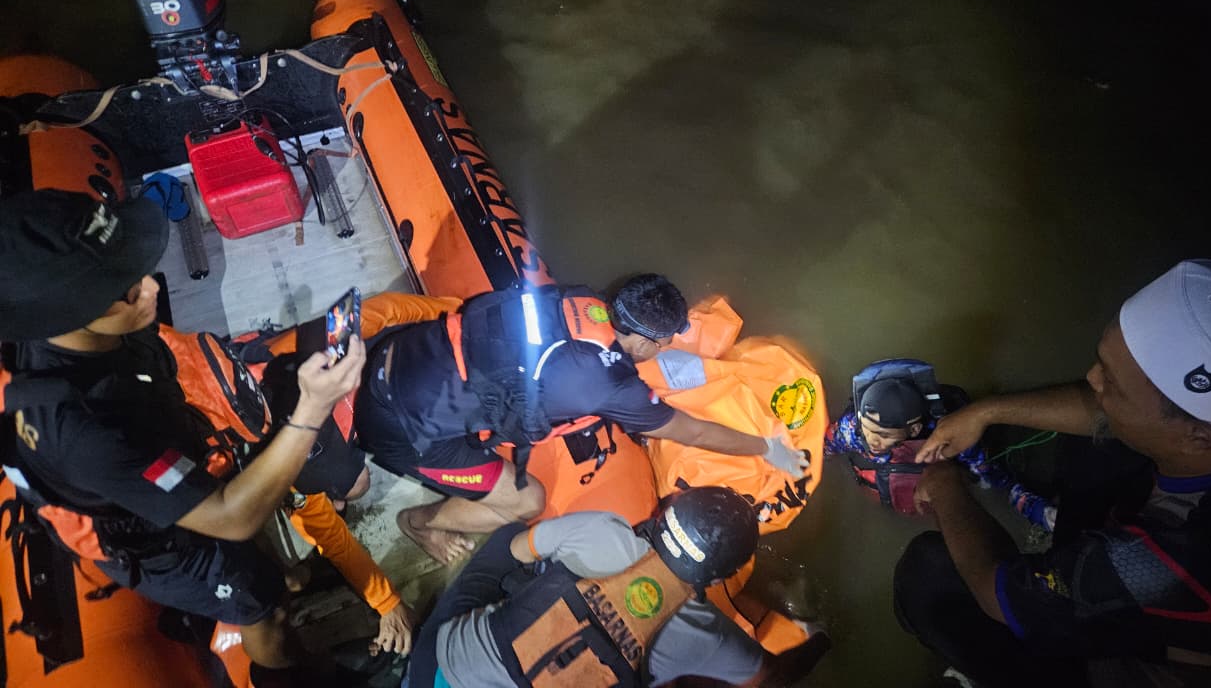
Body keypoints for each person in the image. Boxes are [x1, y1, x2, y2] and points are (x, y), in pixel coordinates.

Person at [0, 189, 367, 686]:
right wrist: (311, 410)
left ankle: (284, 582)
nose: (150, 288)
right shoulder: (83, 431)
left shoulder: (93, 330)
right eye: (126, 288)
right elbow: (231, 517)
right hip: (158, 543)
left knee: (266, 569)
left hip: (172, 462)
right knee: (264, 607)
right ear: (67, 312)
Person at [897, 259, 1211, 687]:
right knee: (1099, 446)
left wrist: (945, 484)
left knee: (930, 574)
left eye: (1111, 382)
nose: (1091, 378)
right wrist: (986, 412)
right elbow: (1112, 412)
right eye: (1103, 363)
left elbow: (995, 593)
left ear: (1200, 437)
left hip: (1140, 667)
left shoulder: (1158, 560)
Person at [354, 277, 809, 563]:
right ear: (646, 344)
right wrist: (767, 448)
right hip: (404, 431)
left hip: (401, 353)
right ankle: (421, 522)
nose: (668, 346)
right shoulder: (610, 386)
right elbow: (695, 430)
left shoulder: (581, 298)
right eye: (666, 341)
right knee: (529, 500)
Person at [406, 486, 831, 687]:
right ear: (718, 578)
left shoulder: (602, 530)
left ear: (665, 515)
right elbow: (769, 678)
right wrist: (817, 643)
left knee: (510, 542)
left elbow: (518, 549)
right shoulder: (709, 637)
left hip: (437, 670)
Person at [825, 358, 1057, 530]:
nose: (872, 440)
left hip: (935, 504)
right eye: (867, 429)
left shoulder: (946, 437)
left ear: (914, 429)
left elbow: (990, 474)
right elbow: (825, 446)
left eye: (883, 434)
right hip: (882, 499)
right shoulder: (851, 430)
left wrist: (1029, 504)